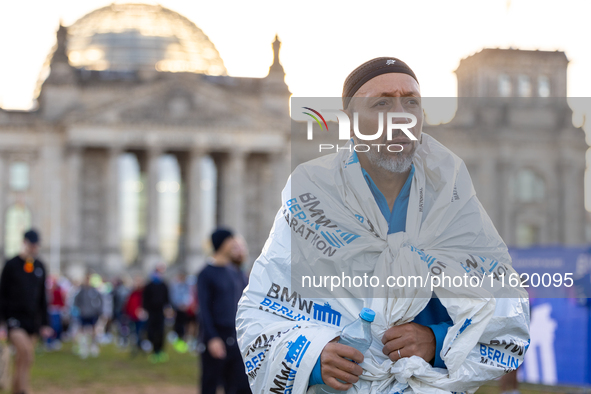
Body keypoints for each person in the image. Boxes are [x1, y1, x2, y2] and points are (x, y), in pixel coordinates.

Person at [236, 57, 530, 394]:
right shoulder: (312, 202)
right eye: (381, 103)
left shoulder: (451, 201)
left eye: (411, 102)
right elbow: (261, 311)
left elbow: (507, 312)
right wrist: (312, 358)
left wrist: (436, 340)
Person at [197, 228, 250, 394]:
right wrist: (212, 338)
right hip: (216, 338)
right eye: (231, 240)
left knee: (239, 385)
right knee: (210, 384)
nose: (235, 243)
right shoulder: (206, 273)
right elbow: (204, 310)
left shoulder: (236, 272)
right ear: (222, 244)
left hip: (237, 339)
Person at [0, 229, 52, 394]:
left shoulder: (40, 267)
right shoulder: (11, 265)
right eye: (31, 243)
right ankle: (24, 390)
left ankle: (17, 389)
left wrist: (45, 323)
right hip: (14, 319)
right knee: (26, 353)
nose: (34, 247)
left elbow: (43, 297)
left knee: (24, 360)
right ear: (25, 243)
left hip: (33, 320)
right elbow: (2, 294)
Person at [143, 263, 170, 363]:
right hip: (151, 312)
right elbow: (145, 299)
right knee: (151, 332)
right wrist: (144, 309)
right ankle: (154, 351)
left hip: (161, 312)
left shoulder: (164, 284)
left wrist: (168, 309)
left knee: (161, 332)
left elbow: (167, 299)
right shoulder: (149, 285)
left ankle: (160, 351)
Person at [74, 273, 103, 358]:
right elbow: (76, 302)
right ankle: (84, 347)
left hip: (93, 314)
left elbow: (100, 301)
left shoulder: (95, 291)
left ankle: (93, 346)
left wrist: (99, 311)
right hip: (83, 314)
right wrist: (80, 309)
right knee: (82, 330)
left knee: (94, 330)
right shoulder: (81, 291)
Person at [170, 271, 192, 353]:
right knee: (177, 325)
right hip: (177, 308)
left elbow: (188, 295)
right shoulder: (175, 286)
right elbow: (173, 296)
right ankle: (178, 340)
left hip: (184, 308)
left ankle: (183, 339)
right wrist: (177, 305)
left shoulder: (186, 285)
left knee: (185, 324)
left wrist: (185, 304)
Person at [125, 275, 147, 355]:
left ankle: (141, 347)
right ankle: (135, 348)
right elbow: (128, 305)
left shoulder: (144, 294)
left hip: (142, 317)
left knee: (141, 333)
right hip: (132, 317)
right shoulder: (132, 293)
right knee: (134, 333)